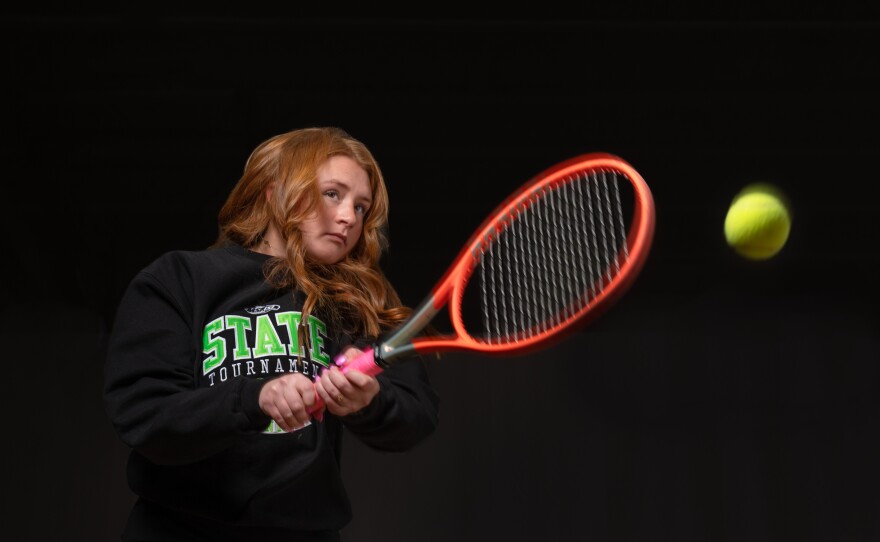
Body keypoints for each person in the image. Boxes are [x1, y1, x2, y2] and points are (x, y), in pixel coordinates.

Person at [103, 127, 440, 541]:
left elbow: (417, 415)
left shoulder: (355, 302)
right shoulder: (180, 279)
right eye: (333, 193)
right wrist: (254, 398)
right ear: (275, 190)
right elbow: (144, 415)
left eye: (361, 207)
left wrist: (370, 401)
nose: (350, 217)